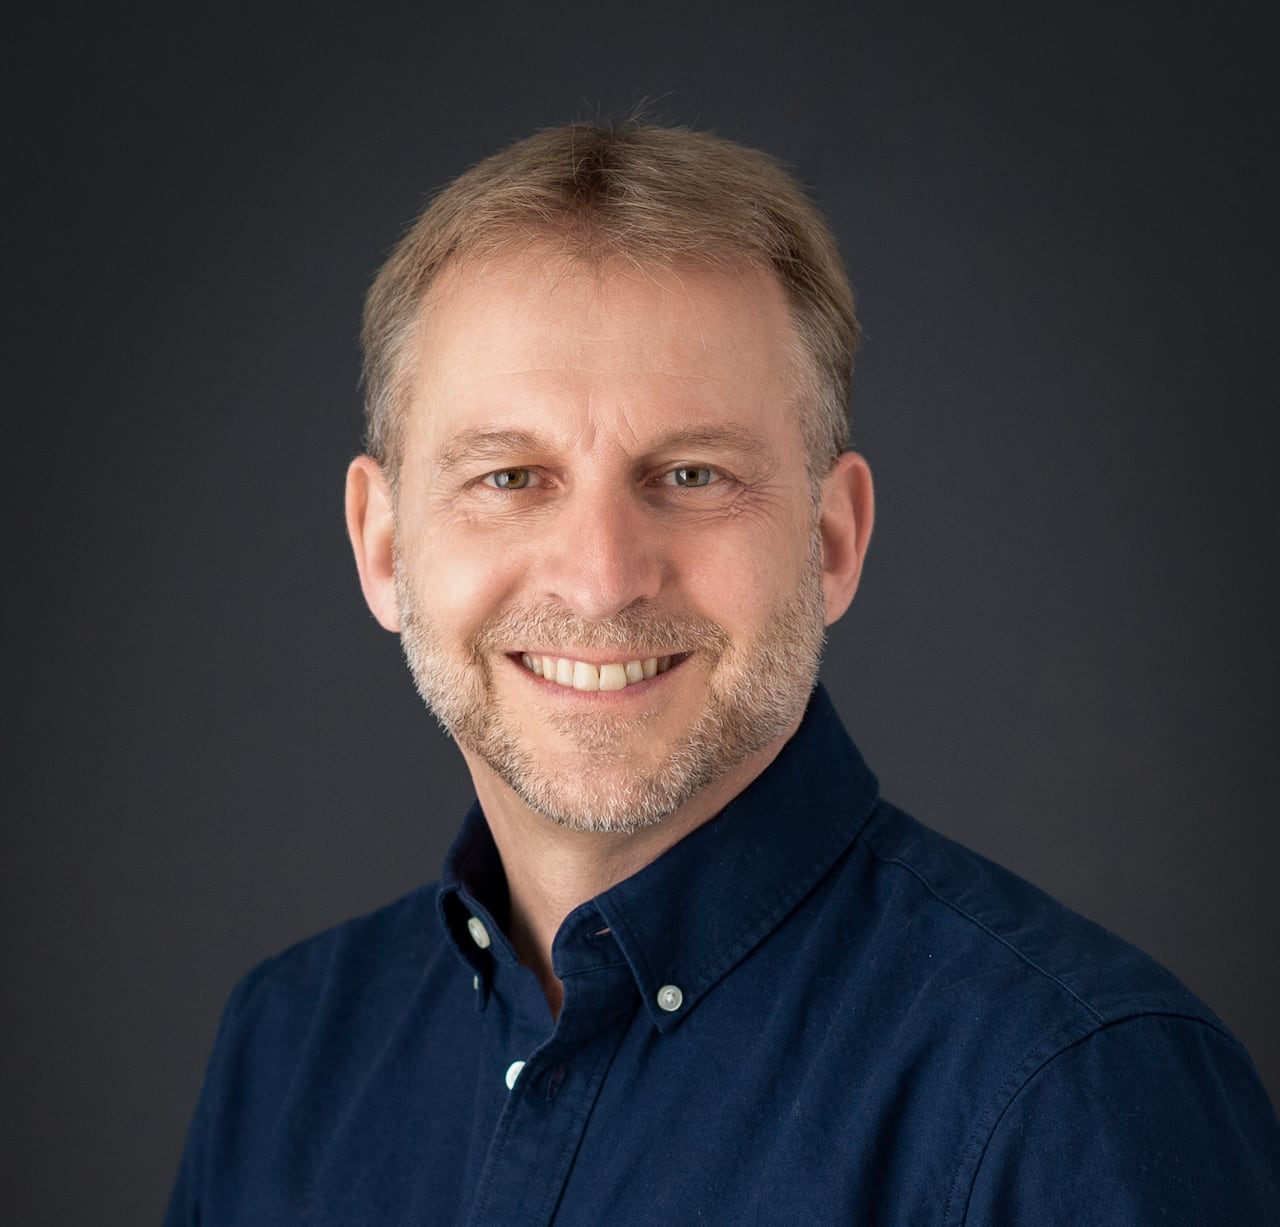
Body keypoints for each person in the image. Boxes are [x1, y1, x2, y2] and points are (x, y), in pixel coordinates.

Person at [166, 121, 1280, 1225]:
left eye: (692, 474)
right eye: (510, 477)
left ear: (832, 541)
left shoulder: (1073, 1097)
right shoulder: (287, 1046)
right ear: (384, 547)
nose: (602, 580)